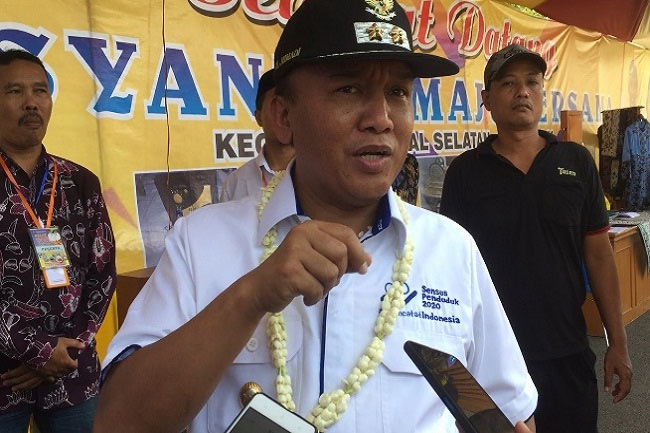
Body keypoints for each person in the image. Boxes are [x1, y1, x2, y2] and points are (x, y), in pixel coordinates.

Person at [95, 2, 538, 432]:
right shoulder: (200, 244)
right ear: (283, 116)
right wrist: (250, 297)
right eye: (349, 89)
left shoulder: (452, 249)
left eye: (398, 92)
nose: (381, 119)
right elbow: (119, 422)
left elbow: (511, 411)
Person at [440, 44, 633, 433]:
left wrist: (618, 341)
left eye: (532, 82)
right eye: (508, 83)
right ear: (487, 100)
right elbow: (450, 271)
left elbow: (599, 255)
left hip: (567, 351)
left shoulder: (576, 162)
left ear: (543, 93)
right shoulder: (464, 173)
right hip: (492, 357)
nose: (522, 92)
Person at [0, 49, 116, 432]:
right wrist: (37, 351)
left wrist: (65, 350)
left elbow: (102, 275)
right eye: (14, 91)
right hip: (5, 378)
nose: (31, 102)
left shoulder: (80, 182)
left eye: (40, 90)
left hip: (72, 373)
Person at [220, 69, 295, 202]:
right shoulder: (235, 184)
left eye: (290, 104)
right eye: (276, 106)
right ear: (259, 118)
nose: (284, 115)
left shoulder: (321, 174)